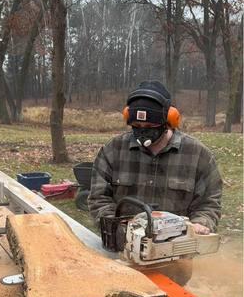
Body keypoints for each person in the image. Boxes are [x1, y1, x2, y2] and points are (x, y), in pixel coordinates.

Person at [88, 81, 222, 284]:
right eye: (137, 127)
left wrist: (200, 225)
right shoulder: (113, 151)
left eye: (149, 127)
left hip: (175, 262)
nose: (142, 132)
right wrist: (122, 231)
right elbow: (98, 198)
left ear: (169, 120)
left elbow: (209, 203)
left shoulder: (198, 156)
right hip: (122, 258)